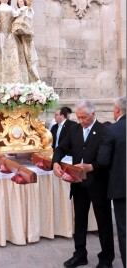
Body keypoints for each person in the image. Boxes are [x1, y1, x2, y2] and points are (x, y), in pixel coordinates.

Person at [52, 99, 114, 268]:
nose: (81, 121)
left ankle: (106, 259)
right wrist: (55, 162)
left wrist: (90, 167)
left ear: (93, 114)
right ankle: (80, 254)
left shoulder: (104, 131)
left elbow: (105, 160)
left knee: (104, 223)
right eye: (78, 117)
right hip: (78, 184)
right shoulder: (74, 129)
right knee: (79, 221)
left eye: (84, 117)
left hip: (98, 185)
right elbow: (60, 148)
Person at [97, 96, 126, 268]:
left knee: (124, 230)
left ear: (117, 110)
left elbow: (102, 161)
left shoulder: (112, 130)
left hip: (122, 187)